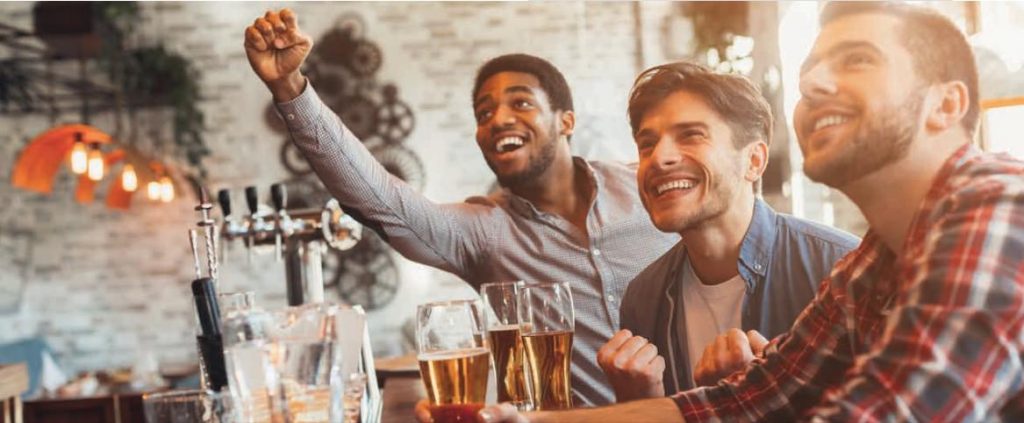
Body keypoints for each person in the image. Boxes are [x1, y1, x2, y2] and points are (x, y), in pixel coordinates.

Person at [425, 2, 1024, 421]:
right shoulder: (874, 262)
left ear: (946, 104)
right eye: (812, 68)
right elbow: (741, 402)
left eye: (857, 60)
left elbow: (890, 411)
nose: (813, 82)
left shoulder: (998, 206)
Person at [243, 9, 678, 406]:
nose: (499, 119)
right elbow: (379, 199)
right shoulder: (484, 231)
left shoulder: (645, 187)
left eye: (521, 102)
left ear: (566, 121)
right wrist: (290, 89)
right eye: (484, 113)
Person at [596, 62, 858, 402]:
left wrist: (748, 399)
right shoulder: (643, 299)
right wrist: (643, 406)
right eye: (647, 145)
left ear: (753, 161)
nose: (659, 157)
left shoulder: (840, 268)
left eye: (691, 135)